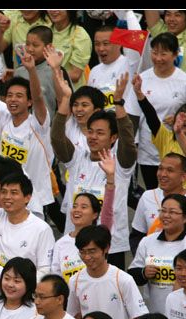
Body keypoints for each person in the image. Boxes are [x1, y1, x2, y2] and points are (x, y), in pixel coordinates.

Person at [51, 73, 134, 267]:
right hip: (76, 242)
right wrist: (65, 99)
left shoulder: (121, 163)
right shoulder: (76, 158)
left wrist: (118, 103)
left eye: (100, 132)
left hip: (111, 245)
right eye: (90, 131)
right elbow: (56, 137)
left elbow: (128, 139)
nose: (93, 137)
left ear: (113, 138)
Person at [0, 47, 54, 216]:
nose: (13, 99)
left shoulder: (38, 123)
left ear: (29, 102)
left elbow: (38, 97)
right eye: (10, 95)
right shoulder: (3, 120)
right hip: (8, 195)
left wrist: (31, 70)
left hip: (35, 197)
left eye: (19, 96)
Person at [124, 33, 186, 191]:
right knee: (153, 195)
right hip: (148, 150)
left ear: (175, 54)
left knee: (177, 195)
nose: (158, 58)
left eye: (163, 54)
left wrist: (179, 118)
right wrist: (130, 145)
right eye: (154, 53)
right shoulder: (142, 79)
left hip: (178, 151)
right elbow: (132, 116)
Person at [67, 225, 148, 319]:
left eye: (92, 251)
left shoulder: (123, 279)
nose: (87, 257)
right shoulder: (75, 281)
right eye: (82, 252)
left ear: (106, 248)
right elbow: (73, 318)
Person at [129, 194, 186, 313]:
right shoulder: (148, 241)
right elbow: (133, 273)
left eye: (172, 212)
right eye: (163, 211)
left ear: (185, 217)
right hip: (154, 311)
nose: (166, 215)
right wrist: (144, 273)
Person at [130, 154, 186, 252]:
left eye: (170, 170)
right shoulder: (147, 196)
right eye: (160, 169)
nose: (163, 174)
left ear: (183, 177)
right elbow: (137, 234)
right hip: (152, 259)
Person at [51, 192, 115, 283]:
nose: (77, 210)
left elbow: (108, 212)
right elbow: (56, 277)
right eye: (74, 206)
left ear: (95, 214)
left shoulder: (100, 237)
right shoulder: (60, 244)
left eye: (83, 207)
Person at [146, 10, 186, 88]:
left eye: (177, 15)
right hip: (165, 89)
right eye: (168, 14)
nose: (172, 19)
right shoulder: (161, 33)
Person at [87, 25, 137, 110]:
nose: (101, 48)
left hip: (124, 116)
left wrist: (128, 15)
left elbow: (135, 35)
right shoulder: (94, 71)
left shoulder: (129, 64)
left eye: (106, 44)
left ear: (119, 44)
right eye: (97, 44)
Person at [46, 10, 91, 87]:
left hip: (71, 90)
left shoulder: (80, 35)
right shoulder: (44, 30)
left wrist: (46, 77)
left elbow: (75, 75)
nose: (53, 10)